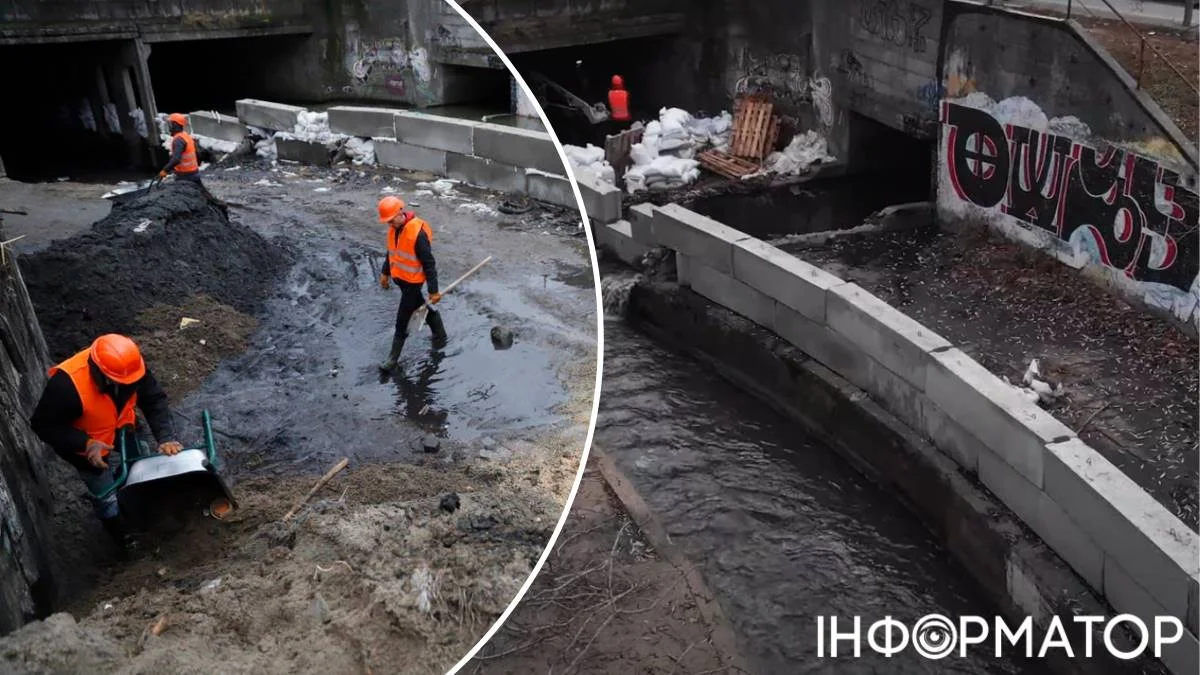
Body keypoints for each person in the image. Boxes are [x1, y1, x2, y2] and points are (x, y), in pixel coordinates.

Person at [30, 334, 183, 555]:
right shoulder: (66, 386)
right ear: (103, 375)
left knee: (140, 463)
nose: (131, 385)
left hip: (123, 426)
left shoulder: (131, 368)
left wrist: (166, 436)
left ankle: (143, 504)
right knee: (104, 493)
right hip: (88, 447)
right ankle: (124, 537)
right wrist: (84, 444)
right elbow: (44, 424)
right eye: (124, 384)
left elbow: (153, 399)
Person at [377, 196, 448, 370]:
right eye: (387, 222)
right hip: (401, 280)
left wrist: (433, 290)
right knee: (421, 306)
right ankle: (440, 334)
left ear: (400, 212)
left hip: (412, 283)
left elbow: (429, 264)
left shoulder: (417, 234)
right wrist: (385, 273)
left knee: (402, 319)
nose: (390, 224)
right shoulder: (394, 229)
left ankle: (392, 360)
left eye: (391, 220)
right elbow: (391, 253)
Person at [159, 112, 226, 213]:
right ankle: (220, 206)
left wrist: (164, 170)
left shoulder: (178, 140)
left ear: (176, 125)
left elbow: (176, 159)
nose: (169, 127)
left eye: (171, 124)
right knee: (204, 194)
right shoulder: (186, 136)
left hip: (184, 175)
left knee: (179, 197)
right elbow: (196, 153)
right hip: (193, 172)